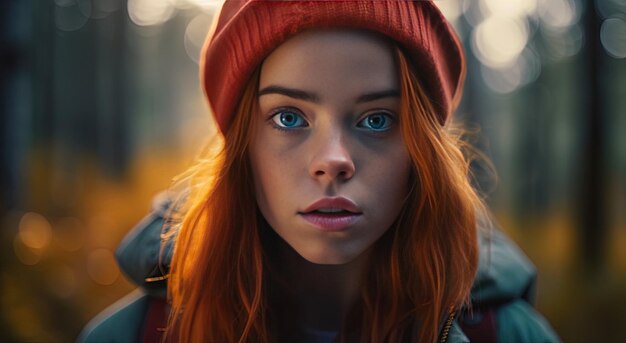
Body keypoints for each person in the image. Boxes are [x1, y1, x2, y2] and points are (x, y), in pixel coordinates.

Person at [79, 1, 560, 342]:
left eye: (377, 119)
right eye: (288, 117)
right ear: (242, 147)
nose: (333, 160)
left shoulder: (509, 335)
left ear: (423, 154)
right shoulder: (129, 336)